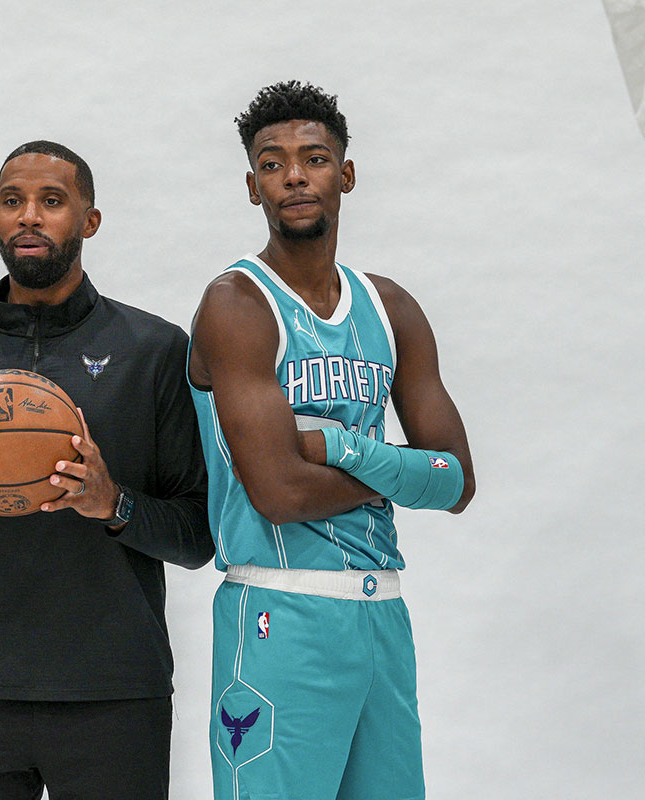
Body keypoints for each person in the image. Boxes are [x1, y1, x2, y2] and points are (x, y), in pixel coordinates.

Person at [0, 141, 214, 799]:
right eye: (12, 201)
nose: (28, 216)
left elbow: (200, 535)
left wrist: (116, 503)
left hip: (114, 691)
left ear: (89, 220)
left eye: (51, 201)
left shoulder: (154, 349)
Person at [187, 80, 476, 800]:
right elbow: (279, 493)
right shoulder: (237, 304)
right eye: (272, 162)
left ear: (345, 174)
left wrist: (345, 449)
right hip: (280, 613)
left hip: (383, 614)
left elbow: (461, 481)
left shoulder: (391, 307)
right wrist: (408, 472)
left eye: (313, 158)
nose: (294, 175)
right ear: (252, 186)